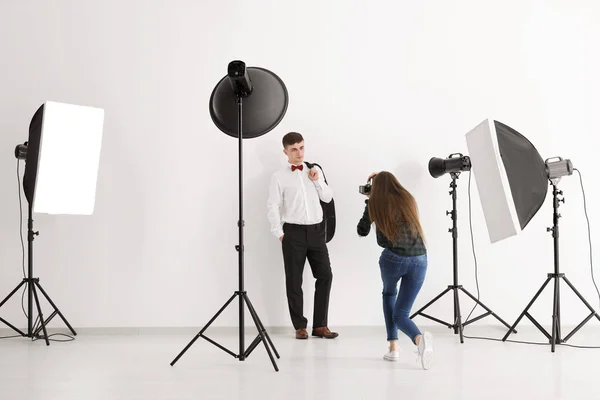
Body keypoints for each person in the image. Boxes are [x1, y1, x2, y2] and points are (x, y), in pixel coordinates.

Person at [357, 171, 434, 370]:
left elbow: (361, 230)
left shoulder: (375, 203)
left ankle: (407, 343)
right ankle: (404, 346)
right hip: (420, 259)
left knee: (389, 295)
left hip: (393, 259)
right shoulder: (408, 199)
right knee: (402, 313)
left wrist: (369, 202)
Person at [267, 132, 338, 340]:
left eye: (302, 148)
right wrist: (279, 233)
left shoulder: (314, 170)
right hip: (293, 233)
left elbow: (327, 197)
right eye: (294, 150)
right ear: (285, 152)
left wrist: (316, 181)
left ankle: (320, 325)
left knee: (325, 275)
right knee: (294, 281)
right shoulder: (278, 176)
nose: (299, 153)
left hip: (316, 231)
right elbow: (273, 206)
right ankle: (299, 326)